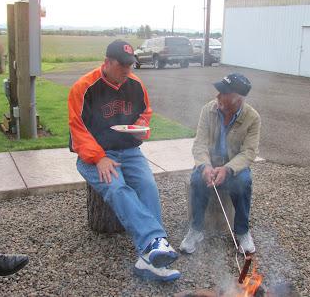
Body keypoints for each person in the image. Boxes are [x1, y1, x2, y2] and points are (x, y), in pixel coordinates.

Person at [68, 39, 180, 282]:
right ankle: (153, 244)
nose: (128, 71)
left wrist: (140, 128)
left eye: (131, 65)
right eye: (123, 66)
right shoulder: (84, 87)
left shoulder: (136, 84)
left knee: (148, 186)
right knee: (118, 188)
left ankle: (150, 255)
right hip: (95, 156)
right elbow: (77, 129)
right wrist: (98, 158)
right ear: (107, 62)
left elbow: (145, 113)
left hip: (129, 151)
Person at [179, 73, 260, 255]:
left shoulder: (252, 118)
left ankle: (242, 231)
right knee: (198, 180)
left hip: (234, 168)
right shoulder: (208, 109)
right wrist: (205, 166)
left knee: (243, 182)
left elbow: (249, 153)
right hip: (210, 164)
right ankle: (196, 229)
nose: (217, 96)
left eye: (223, 92)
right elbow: (199, 144)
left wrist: (228, 169)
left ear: (237, 99)